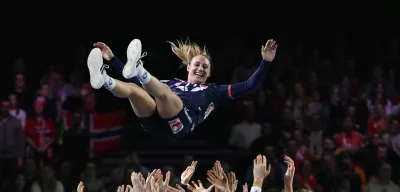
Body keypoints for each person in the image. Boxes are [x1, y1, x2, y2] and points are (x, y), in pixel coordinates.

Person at [87, 38, 277, 139]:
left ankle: (140, 67)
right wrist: (111, 58)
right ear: (188, 67)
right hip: (153, 123)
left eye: (205, 67)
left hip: (180, 123)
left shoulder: (214, 92)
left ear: (209, 73)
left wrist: (266, 62)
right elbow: (131, 76)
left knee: (163, 93)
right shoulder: (172, 82)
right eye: (196, 65)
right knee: (134, 89)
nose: (200, 69)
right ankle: (103, 78)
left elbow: (250, 86)